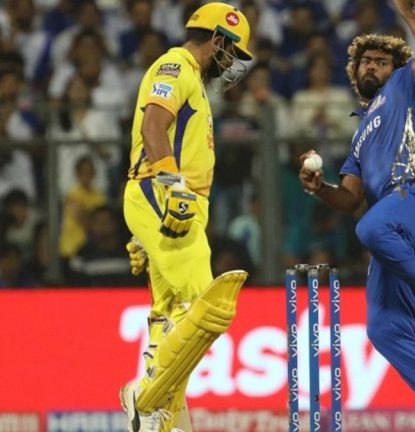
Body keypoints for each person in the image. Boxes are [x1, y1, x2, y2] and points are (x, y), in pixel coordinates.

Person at [298, 1, 415, 430]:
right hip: (394, 233)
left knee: (370, 226)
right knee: (384, 330)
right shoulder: (359, 137)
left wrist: (408, 13)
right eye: (366, 61)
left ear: (396, 69)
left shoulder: (405, 85)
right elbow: (350, 200)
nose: (372, 66)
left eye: (382, 61)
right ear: (355, 71)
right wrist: (318, 188)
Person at [119, 3, 252, 432]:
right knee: (206, 308)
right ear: (218, 40)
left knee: (169, 313)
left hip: (167, 201)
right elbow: (153, 127)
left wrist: (147, 231)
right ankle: (146, 394)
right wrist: (173, 190)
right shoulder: (175, 66)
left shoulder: (191, 77)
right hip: (166, 195)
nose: (232, 64)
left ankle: (160, 416)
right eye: (233, 52)